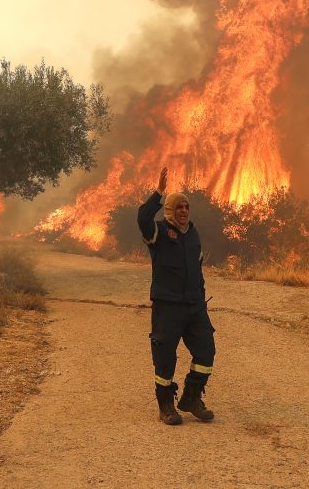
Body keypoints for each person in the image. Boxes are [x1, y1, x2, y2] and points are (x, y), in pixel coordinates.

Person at [137, 167, 216, 425]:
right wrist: (159, 192)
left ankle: (191, 397)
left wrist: (201, 300)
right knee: (165, 357)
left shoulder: (193, 235)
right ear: (170, 210)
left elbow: (198, 269)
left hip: (194, 307)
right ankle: (166, 405)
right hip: (168, 308)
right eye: (179, 207)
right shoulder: (158, 232)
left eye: (186, 207)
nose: (183, 211)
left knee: (206, 351)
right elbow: (142, 218)